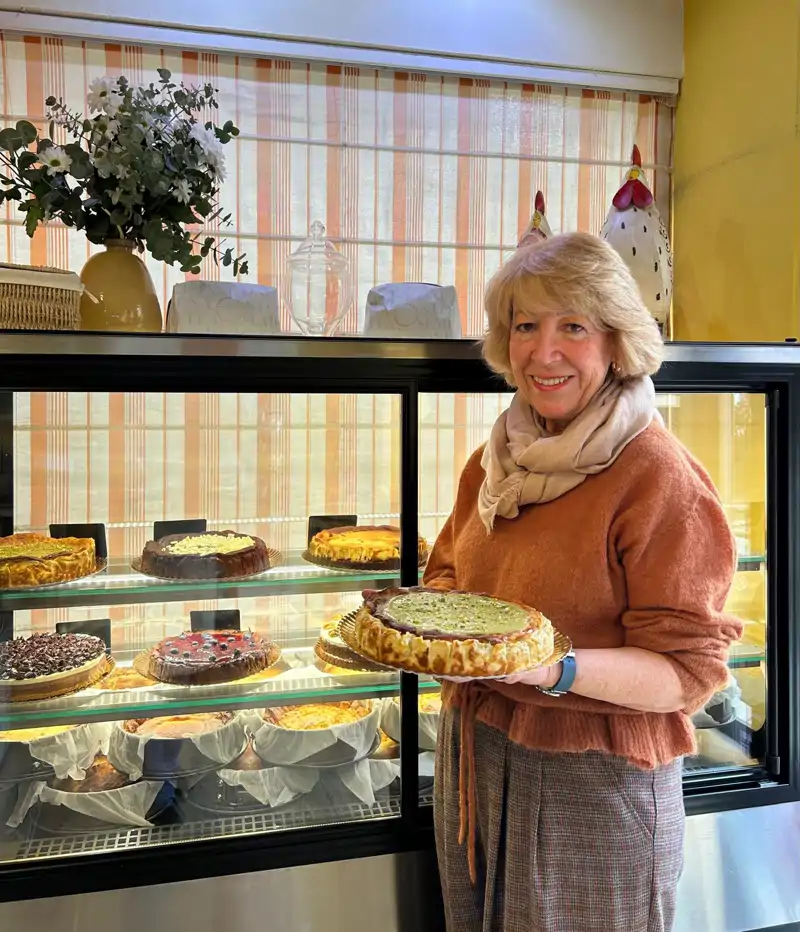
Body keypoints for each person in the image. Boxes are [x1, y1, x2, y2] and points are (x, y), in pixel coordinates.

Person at [422, 231, 742, 932]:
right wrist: (422, 630)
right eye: (525, 326)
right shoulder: (494, 461)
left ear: (615, 341)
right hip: (475, 754)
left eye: (573, 326)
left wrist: (550, 668)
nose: (544, 351)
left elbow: (684, 673)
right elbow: (447, 573)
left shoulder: (656, 476)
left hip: (592, 783)